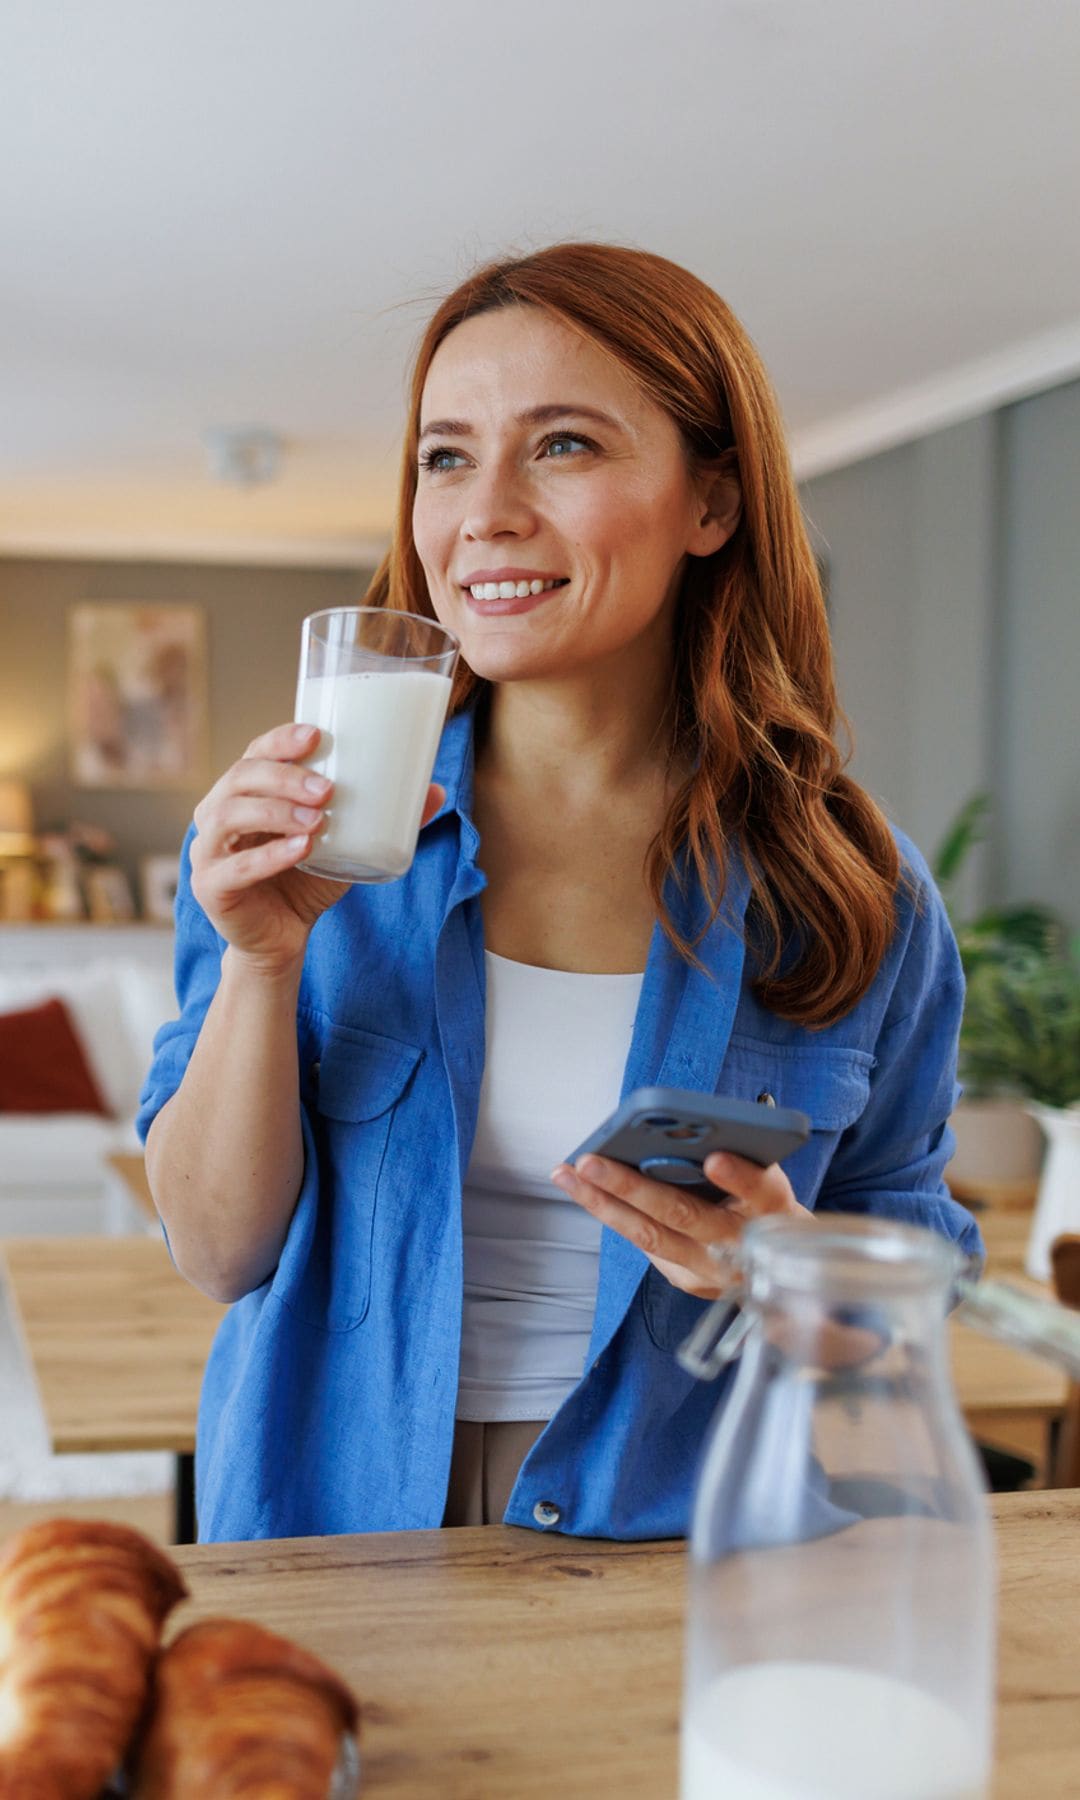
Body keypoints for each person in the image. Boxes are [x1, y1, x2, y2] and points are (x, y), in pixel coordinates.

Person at [138, 242, 981, 1544]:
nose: (484, 515)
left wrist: (791, 1276)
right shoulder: (294, 841)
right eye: (446, 455)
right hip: (336, 1528)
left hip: (689, 1545)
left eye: (566, 446)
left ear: (713, 502)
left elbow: (907, 1313)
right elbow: (218, 1254)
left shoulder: (853, 889)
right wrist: (260, 962)